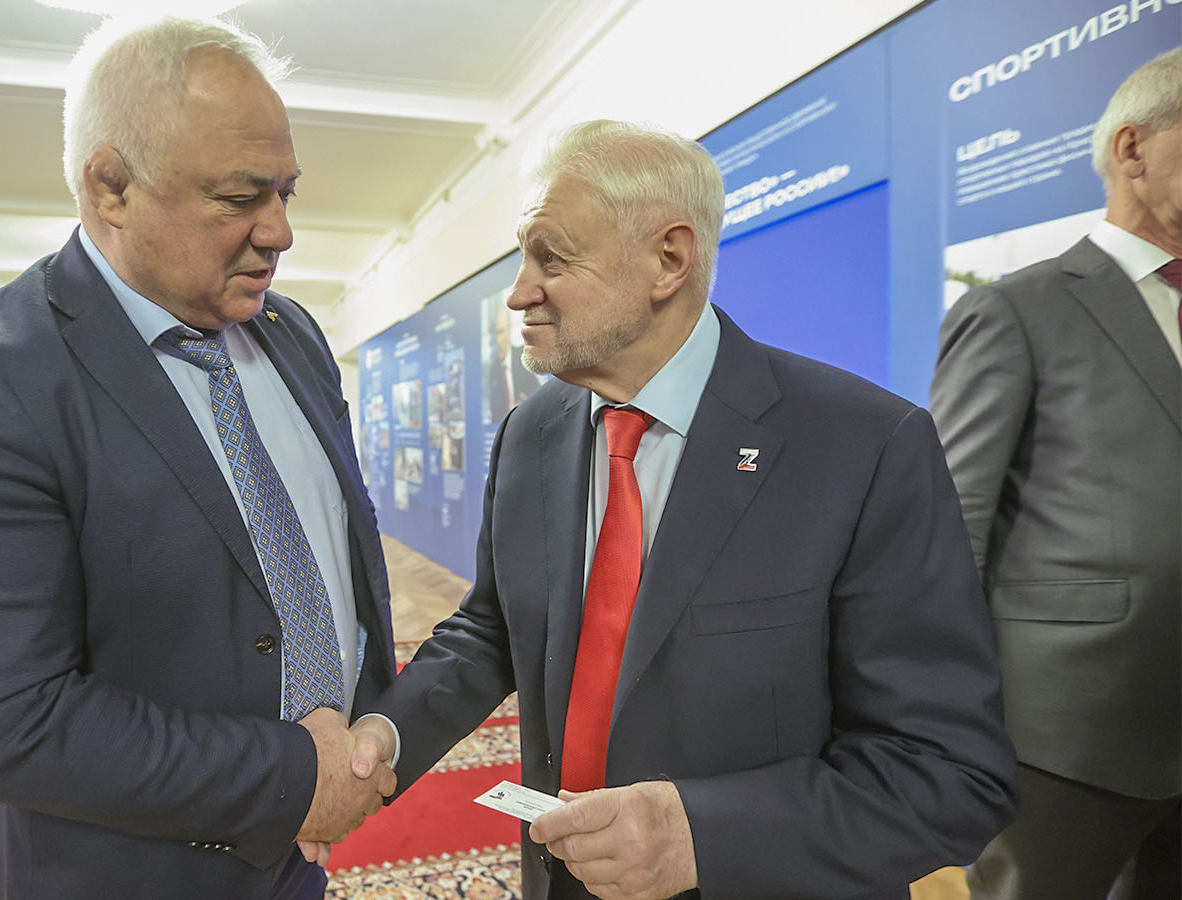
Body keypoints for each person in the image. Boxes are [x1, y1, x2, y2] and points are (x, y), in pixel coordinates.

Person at [346, 120, 1016, 900]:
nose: (520, 293)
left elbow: (946, 772)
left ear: (669, 259)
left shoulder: (866, 446)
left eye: (551, 258)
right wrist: (387, 734)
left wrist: (699, 835)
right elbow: (496, 626)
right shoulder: (533, 431)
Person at [0, 17, 396, 900]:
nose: (280, 232)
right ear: (110, 187)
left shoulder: (291, 333)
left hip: (301, 855)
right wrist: (289, 779)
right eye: (240, 197)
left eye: (286, 192)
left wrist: (360, 735)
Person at [929, 47, 1181, 900]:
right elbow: (950, 524)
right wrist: (949, 717)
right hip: (1062, 737)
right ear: (1132, 148)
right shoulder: (1015, 308)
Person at [484, 295, 542, 419]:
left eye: (501, 332)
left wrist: (526, 404)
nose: (498, 340)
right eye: (495, 333)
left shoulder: (523, 356)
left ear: (509, 330)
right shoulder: (494, 369)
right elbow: (494, 414)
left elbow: (539, 395)